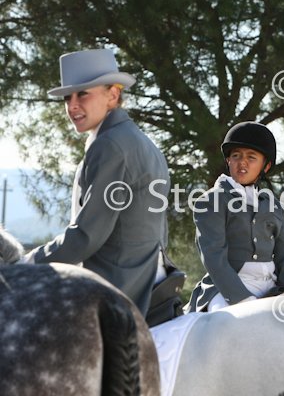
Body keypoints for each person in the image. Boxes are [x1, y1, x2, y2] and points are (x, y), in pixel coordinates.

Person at [19, 49, 170, 317]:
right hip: (149, 274)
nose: (72, 106)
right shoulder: (138, 140)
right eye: (67, 97)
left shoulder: (110, 144)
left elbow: (86, 236)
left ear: (113, 95)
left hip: (119, 285)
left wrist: (27, 263)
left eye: (83, 94)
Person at [186, 122, 284, 312]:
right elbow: (214, 257)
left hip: (271, 286)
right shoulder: (212, 200)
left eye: (251, 157)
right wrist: (242, 299)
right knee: (226, 320)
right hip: (228, 289)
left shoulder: (271, 204)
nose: (242, 162)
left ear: (266, 166)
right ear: (228, 161)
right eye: (236, 156)